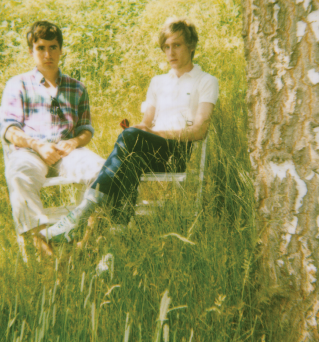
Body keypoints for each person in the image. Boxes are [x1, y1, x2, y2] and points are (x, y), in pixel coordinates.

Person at [43, 17, 219, 243]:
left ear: (191, 46)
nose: (170, 52)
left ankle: (82, 211)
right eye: (166, 47)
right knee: (130, 160)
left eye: (177, 45)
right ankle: (118, 234)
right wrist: (140, 129)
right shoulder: (158, 82)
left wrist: (152, 134)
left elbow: (199, 131)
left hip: (176, 152)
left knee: (129, 140)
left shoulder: (206, 81)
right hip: (148, 150)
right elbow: (147, 123)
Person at [0, 20, 105, 239]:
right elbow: (10, 130)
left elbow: (85, 130)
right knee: (18, 175)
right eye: (41, 48)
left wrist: (74, 142)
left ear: (61, 50)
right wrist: (38, 146)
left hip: (68, 152)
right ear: (31, 51)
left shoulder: (77, 87)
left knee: (102, 172)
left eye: (53, 47)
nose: (47, 54)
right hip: (30, 151)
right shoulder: (18, 84)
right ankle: (43, 247)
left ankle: (84, 239)